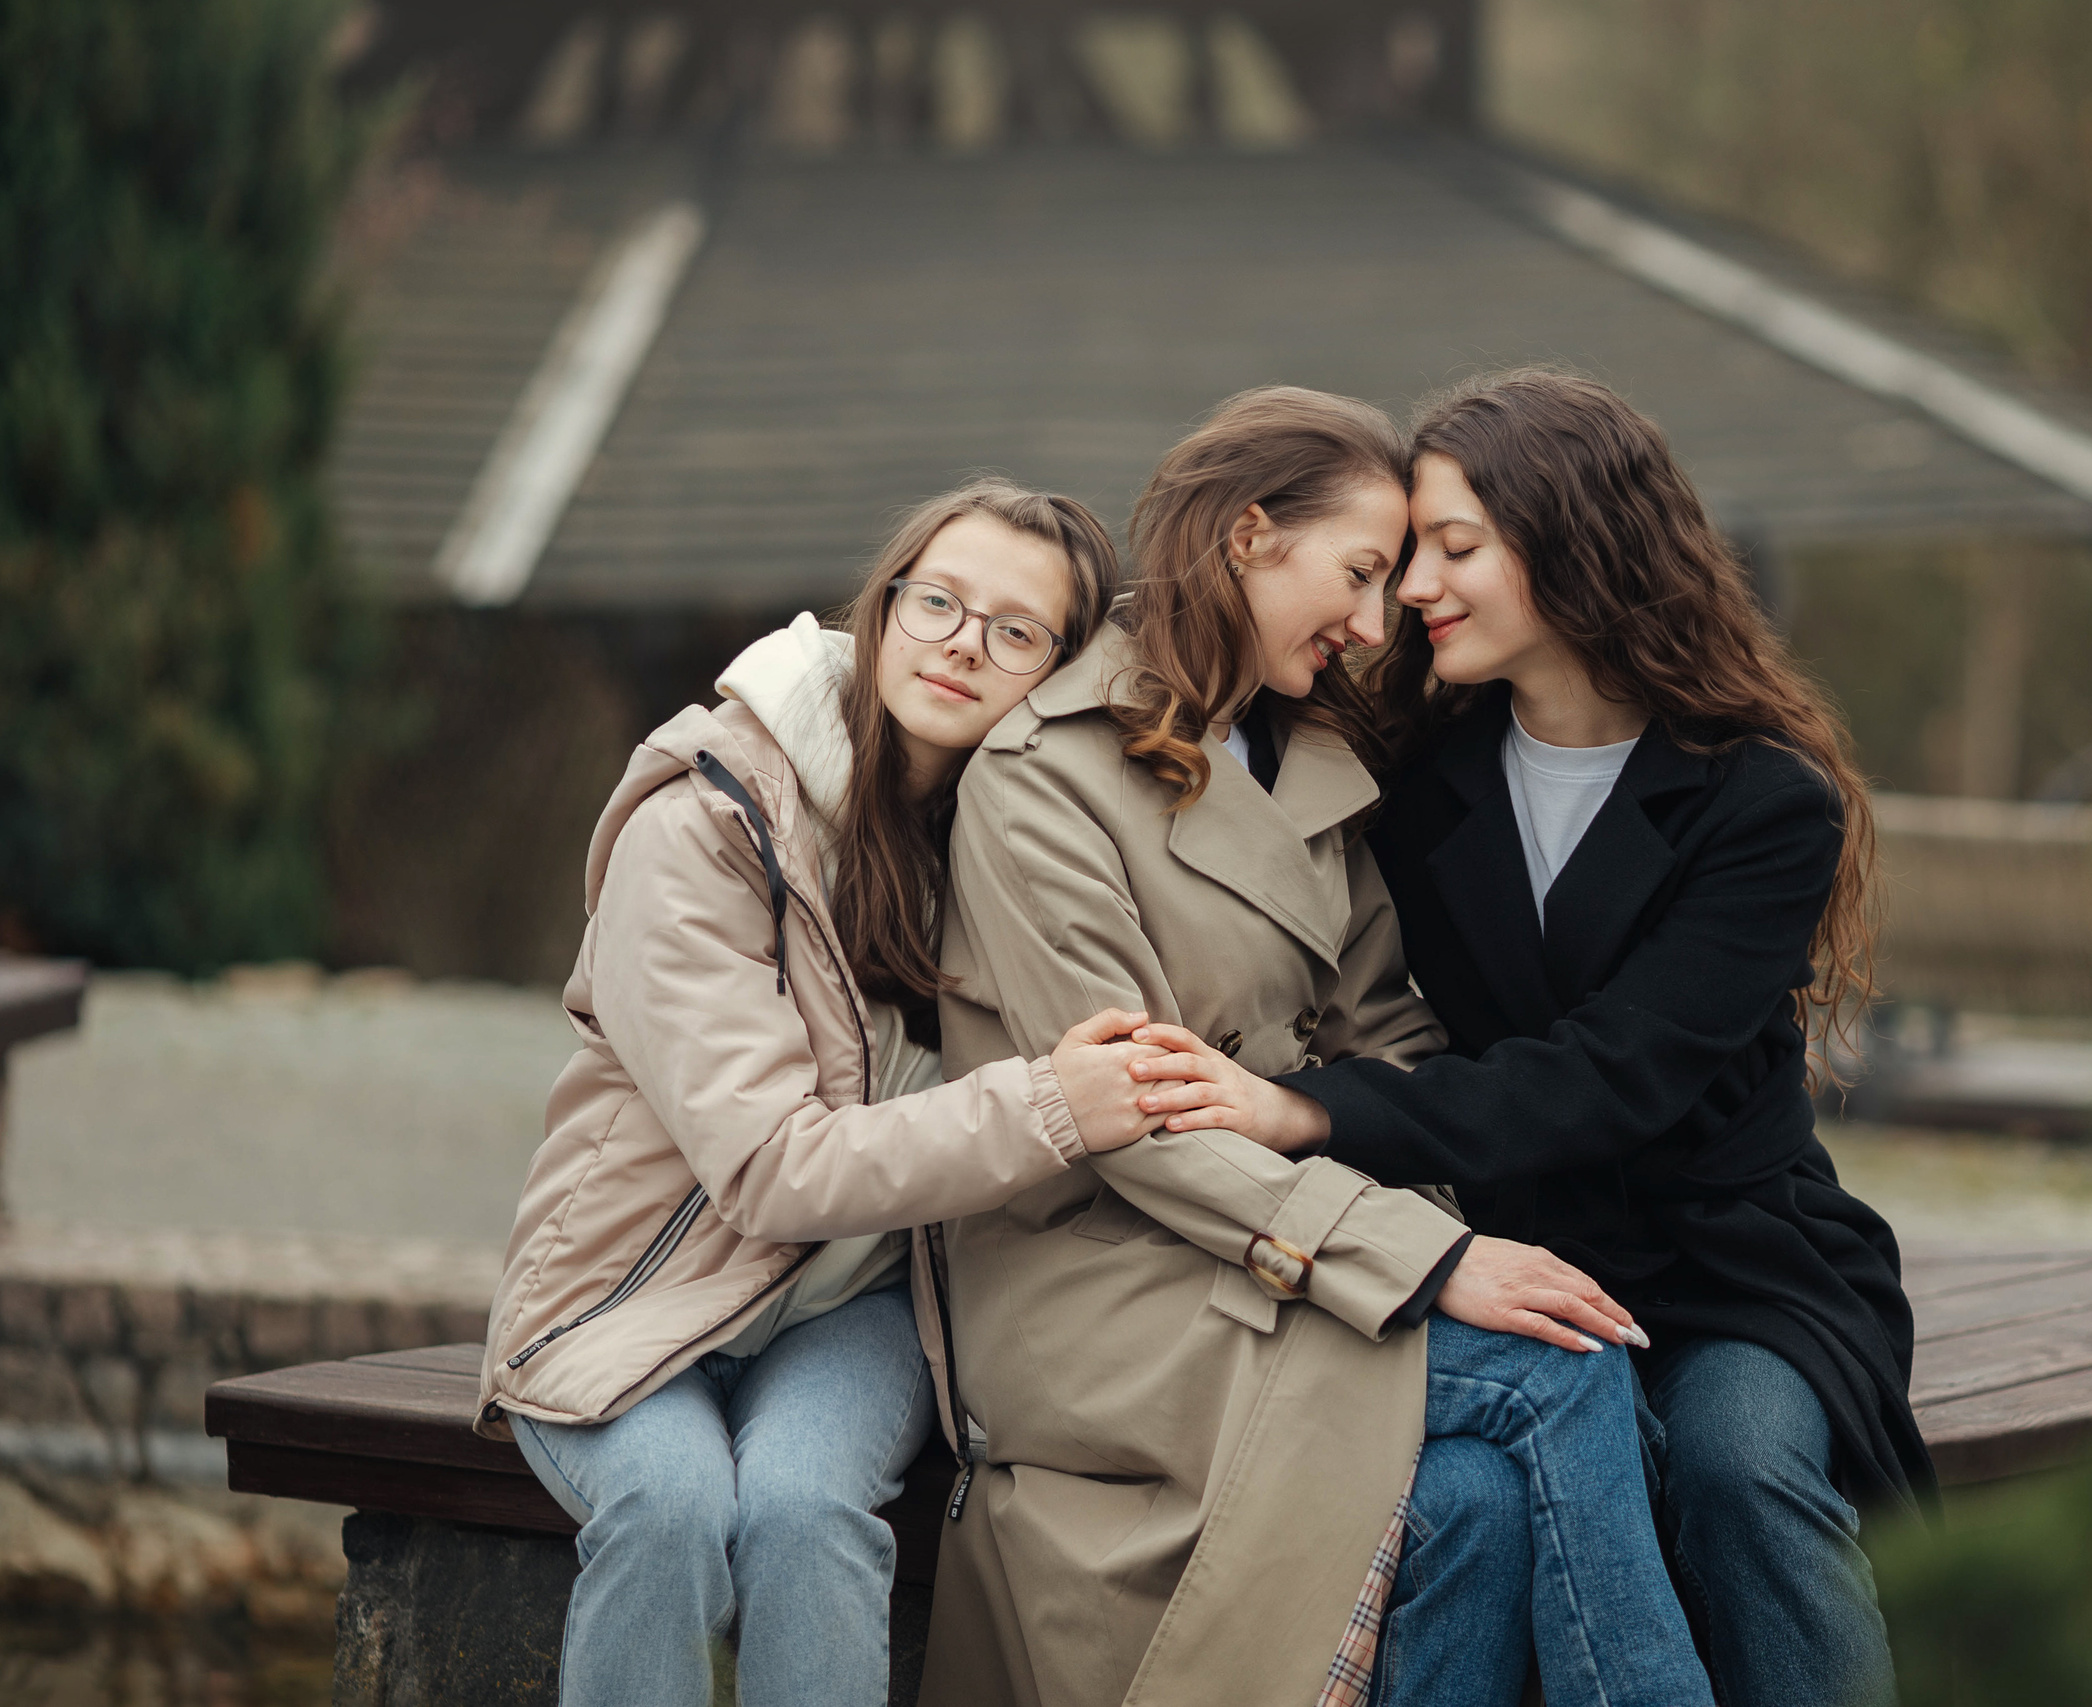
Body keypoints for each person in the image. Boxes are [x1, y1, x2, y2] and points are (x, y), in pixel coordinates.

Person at [1131, 371, 1933, 1707]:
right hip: (1487, 1250)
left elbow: (1618, 1073)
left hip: (1729, 1264)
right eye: (1405, 556)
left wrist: (1308, 1107)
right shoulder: (1405, 770)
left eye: (1454, 549)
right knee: (1478, 1492)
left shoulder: (1762, 802)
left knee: (1740, 1466)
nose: (1412, 591)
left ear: (1574, 545)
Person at [920, 387, 1713, 1707]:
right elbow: (1131, 1121)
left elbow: (1387, 1039)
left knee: (1475, 1498)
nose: (1379, 619)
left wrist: (1413, 1217)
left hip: (1279, 1239)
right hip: (1106, 1280)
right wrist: (1433, 1260)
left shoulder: (1311, 762)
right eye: (1358, 573)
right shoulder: (1042, 774)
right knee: (1557, 1373)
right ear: (1248, 536)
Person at [475, 481, 1163, 1707]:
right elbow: (769, 1168)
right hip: (634, 1294)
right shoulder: (705, 824)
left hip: (856, 1305)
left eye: (1016, 632)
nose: (963, 644)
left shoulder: (1019, 837)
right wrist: (1051, 1107)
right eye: (938, 602)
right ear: (883, 605)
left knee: (804, 1509)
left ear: (1057, 675)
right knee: (671, 1508)